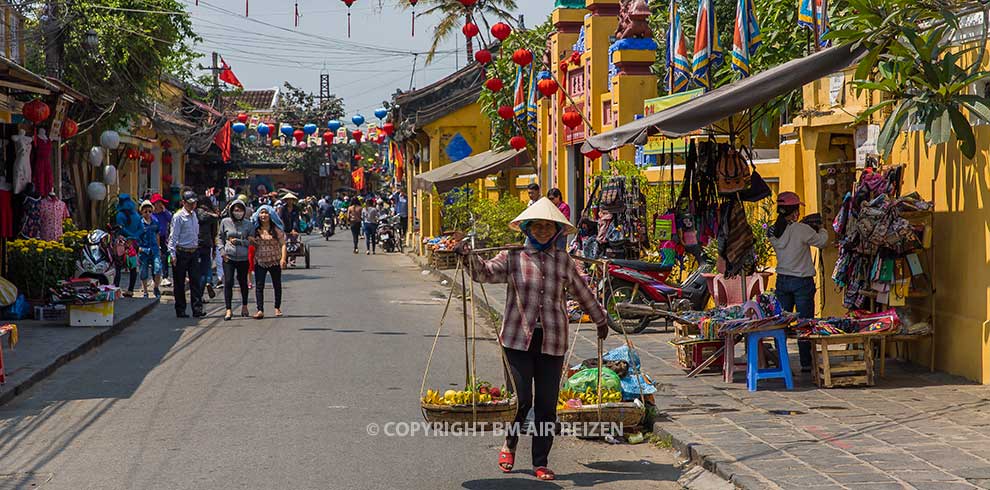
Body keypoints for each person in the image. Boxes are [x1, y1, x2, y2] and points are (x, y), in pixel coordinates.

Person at [456, 198, 609, 482]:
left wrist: (600, 319)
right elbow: (484, 272)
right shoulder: (512, 257)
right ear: (527, 228)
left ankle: (541, 461)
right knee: (521, 400)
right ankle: (510, 444)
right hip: (517, 339)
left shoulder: (563, 261)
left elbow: (582, 291)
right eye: (536, 226)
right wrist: (466, 256)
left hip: (552, 339)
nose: (541, 230)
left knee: (547, 406)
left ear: (556, 230)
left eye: (547, 226)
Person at [769, 191, 829, 372]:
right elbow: (822, 242)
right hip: (802, 281)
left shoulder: (772, 231)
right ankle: (805, 363)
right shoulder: (802, 230)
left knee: (781, 323)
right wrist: (822, 228)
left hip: (782, 281)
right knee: (804, 324)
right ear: (794, 211)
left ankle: (781, 360)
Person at [168, 191, 204, 318]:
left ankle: (197, 309)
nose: (192, 205)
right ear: (183, 203)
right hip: (181, 252)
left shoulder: (194, 215)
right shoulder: (178, 216)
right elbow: (173, 236)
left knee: (196, 281)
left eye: (194, 203)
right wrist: (172, 254)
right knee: (179, 283)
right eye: (190, 203)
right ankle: (180, 309)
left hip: (193, 252)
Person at [220, 200, 255, 321]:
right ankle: (228, 309)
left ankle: (244, 306)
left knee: (243, 282)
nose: (238, 212)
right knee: (228, 282)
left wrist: (239, 242)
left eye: (240, 210)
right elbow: (220, 238)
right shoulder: (225, 222)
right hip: (228, 257)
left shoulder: (248, 225)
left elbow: (251, 241)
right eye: (236, 210)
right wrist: (222, 251)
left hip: (243, 257)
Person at [250, 205, 287, 319]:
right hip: (260, 261)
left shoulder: (276, 230)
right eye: (261, 213)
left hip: (275, 261)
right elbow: (250, 243)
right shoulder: (255, 230)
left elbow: (283, 244)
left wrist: (283, 259)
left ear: (270, 215)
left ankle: (277, 308)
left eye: (266, 213)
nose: (263, 215)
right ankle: (260, 310)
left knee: (277, 285)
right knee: (259, 286)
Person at [113, 194, 142, 297]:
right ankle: (130, 290)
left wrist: (128, 236)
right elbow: (141, 229)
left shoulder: (120, 215)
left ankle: (116, 290)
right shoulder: (137, 216)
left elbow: (120, 229)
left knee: (118, 267)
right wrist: (134, 236)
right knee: (133, 267)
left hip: (122, 244)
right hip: (134, 244)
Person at [137, 200, 163, 299]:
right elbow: (137, 236)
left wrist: (159, 247)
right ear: (142, 212)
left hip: (154, 249)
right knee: (143, 272)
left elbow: (157, 235)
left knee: (158, 269)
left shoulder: (155, 222)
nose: (148, 213)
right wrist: (138, 247)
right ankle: (145, 291)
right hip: (143, 250)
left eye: (149, 211)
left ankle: (156, 287)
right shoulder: (139, 223)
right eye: (145, 211)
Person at [196, 196, 220, 301]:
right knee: (205, 270)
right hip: (206, 244)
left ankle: (197, 294)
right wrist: (214, 248)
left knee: (196, 271)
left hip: (194, 244)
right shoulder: (211, 215)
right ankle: (207, 283)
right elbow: (214, 232)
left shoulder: (193, 213)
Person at [151, 193, 172, 287]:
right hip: (153, 238)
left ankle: (165, 276)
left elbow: (171, 219)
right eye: (156, 203)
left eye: (160, 203)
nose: (158, 205)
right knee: (153, 258)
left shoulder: (164, 213)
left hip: (163, 238)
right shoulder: (151, 214)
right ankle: (154, 278)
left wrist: (165, 211)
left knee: (164, 256)